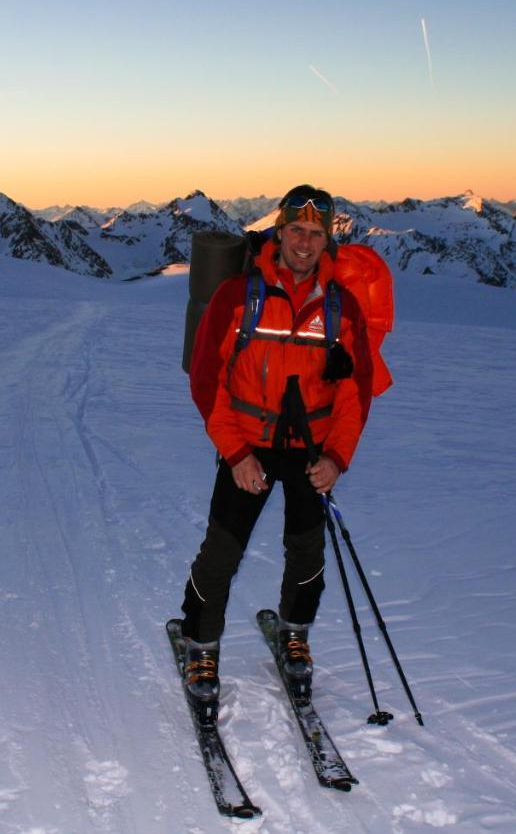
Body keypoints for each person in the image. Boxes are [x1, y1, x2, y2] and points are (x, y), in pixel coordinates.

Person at [181, 184, 374, 704]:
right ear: (279, 231)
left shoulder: (343, 308)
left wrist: (337, 458)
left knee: (308, 550)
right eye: (296, 231)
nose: (305, 243)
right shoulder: (236, 296)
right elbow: (206, 382)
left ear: (328, 238)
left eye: (316, 233)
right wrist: (238, 453)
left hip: (313, 447)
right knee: (223, 550)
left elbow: (356, 395)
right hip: (247, 443)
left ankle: (296, 633)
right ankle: (200, 642)